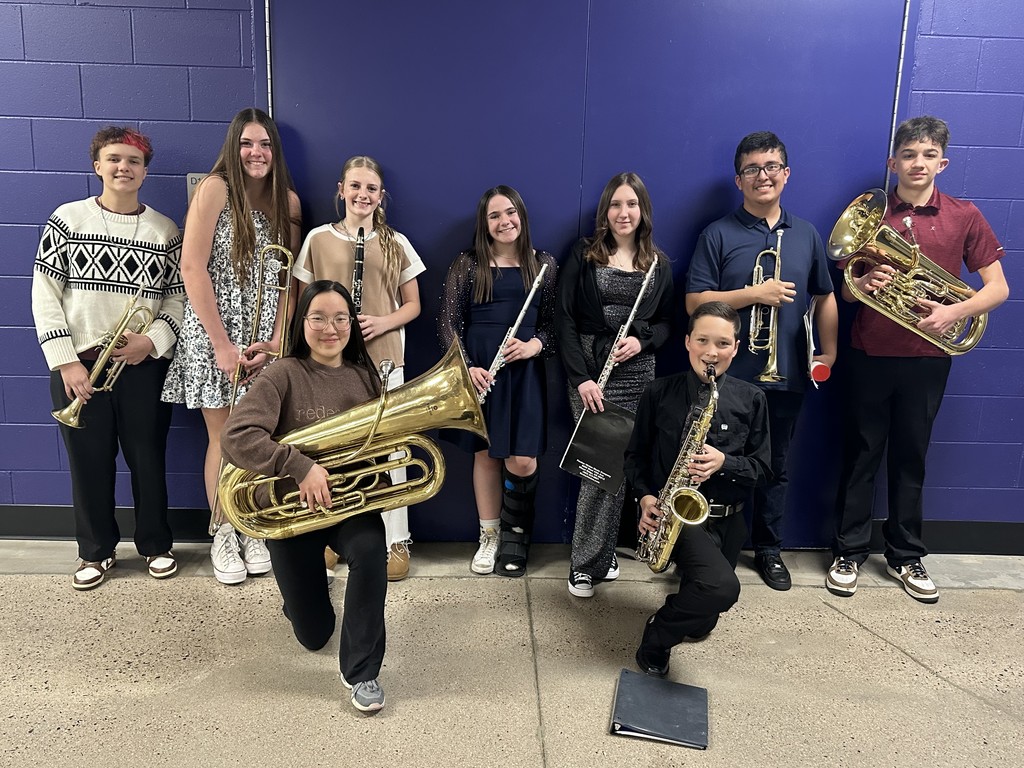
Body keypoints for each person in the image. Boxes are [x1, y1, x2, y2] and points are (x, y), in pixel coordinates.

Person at [827, 116, 1008, 604]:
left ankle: (906, 555)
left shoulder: (964, 215)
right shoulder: (872, 214)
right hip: (870, 352)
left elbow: (998, 288)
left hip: (928, 356)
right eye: (909, 155)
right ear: (894, 162)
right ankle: (849, 551)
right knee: (862, 452)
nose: (918, 163)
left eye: (928, 155)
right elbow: (844, 289)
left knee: (912, 456)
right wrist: (858, 285)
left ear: (942, 163)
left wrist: (955, 310)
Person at [220, 280, 389, 712]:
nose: (330, 328)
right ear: (302, 322)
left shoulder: (366, 376)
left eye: (340, 318)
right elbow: (237, 436)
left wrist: (379, 478)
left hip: (347, 508)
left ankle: (363, 672)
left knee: (372, 552)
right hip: (289, 513)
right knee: (314, 636)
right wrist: (300, 467)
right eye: (318, 317)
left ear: (351, 323)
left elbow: (381, 448)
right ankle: (302, 604)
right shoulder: (283, 374)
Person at [32, 126, 185, 590]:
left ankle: (157, 544)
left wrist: (153, 341)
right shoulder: (67, 220)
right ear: (97, 166)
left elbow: (178, 300)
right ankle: (95, 553)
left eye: (134, 161)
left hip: (140, 365)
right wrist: (66, 362)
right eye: (114, 159)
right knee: (90, 463)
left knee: (147, 458)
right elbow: (45, 295)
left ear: (145, 171)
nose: (124, 168)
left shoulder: (165, 230)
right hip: (80, 364)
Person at [686, 131, 838, 591]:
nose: (763, 176)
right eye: (752, 169)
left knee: (776, 466)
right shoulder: (718, 233)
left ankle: (769, 549)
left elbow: (825, 296)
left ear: (786, 174)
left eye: (772, 167)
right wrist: (754, 294)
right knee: (713, 460)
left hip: (786, 374)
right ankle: (707, 546)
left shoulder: (806, 234)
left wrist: (829, 352)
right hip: (726, 375)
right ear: (739, 179)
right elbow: (695, 302)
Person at [161, 107, 302, 586]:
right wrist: (221, 345)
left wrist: (280, 338)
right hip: (215, 333)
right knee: (222, 439)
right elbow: (192, 268)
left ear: (275, 151)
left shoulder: (289, 202)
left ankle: (252, 524)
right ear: (233, 147)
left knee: (261, 437)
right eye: (246, 144)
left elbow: (289, 283)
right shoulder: (215, 189)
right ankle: (223, 528)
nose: (255, 153)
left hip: (264, 338)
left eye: (264, 144)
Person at [293, 155, 425, 582]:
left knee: (391, 450)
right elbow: (300, 302)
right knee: (332, 447)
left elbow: (414, 305)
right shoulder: (317, 238)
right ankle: (331, 535)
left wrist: (381, 321)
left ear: (380, 195)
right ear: (341, 189)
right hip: (328, 360)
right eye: (355, 186)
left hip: (383, 356)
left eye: (371, 188)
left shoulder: (395, 241)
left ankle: (396, 539)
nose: (362, 195)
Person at [625, 301, 770, 677]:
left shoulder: (752, 399)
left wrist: (726, 463)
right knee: (723, 589)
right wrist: (644, 497)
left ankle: (686, 607)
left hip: (729, 520)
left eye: (722, 343)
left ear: (736, 348)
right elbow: (635, 457)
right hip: (681, 516)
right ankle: (657, 636)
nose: (711, 352)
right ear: (688, 342)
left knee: (703, 620)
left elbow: (765, 470)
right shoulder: (659, 392)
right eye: (703, 340)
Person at [556, 172, 674, 598]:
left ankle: (604, 556)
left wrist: (643, 339)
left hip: (637, 374)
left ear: (643, 211)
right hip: (590, 371)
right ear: (605, 211)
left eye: (632, 205)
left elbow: (667, 325)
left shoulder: (657, 263)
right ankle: (582, 566)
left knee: (623, 468)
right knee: (598, 467)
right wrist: (581, 378)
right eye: (616, 205)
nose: (624, 213)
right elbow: (565, 320)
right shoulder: (583, 254)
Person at [437, 186, 558, 576]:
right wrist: (467, 367)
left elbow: (555, 324)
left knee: (522, 459)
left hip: (522, 371)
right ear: (484, 223)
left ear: (521, 215)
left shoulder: (543, 264)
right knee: (486, 455)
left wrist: (535, 346)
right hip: (481, 371)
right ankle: (489, 536)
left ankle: (517, 535)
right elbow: (448, 323)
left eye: (510, 213)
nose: (504, 221)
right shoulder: (468, 263)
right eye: (494, 216)